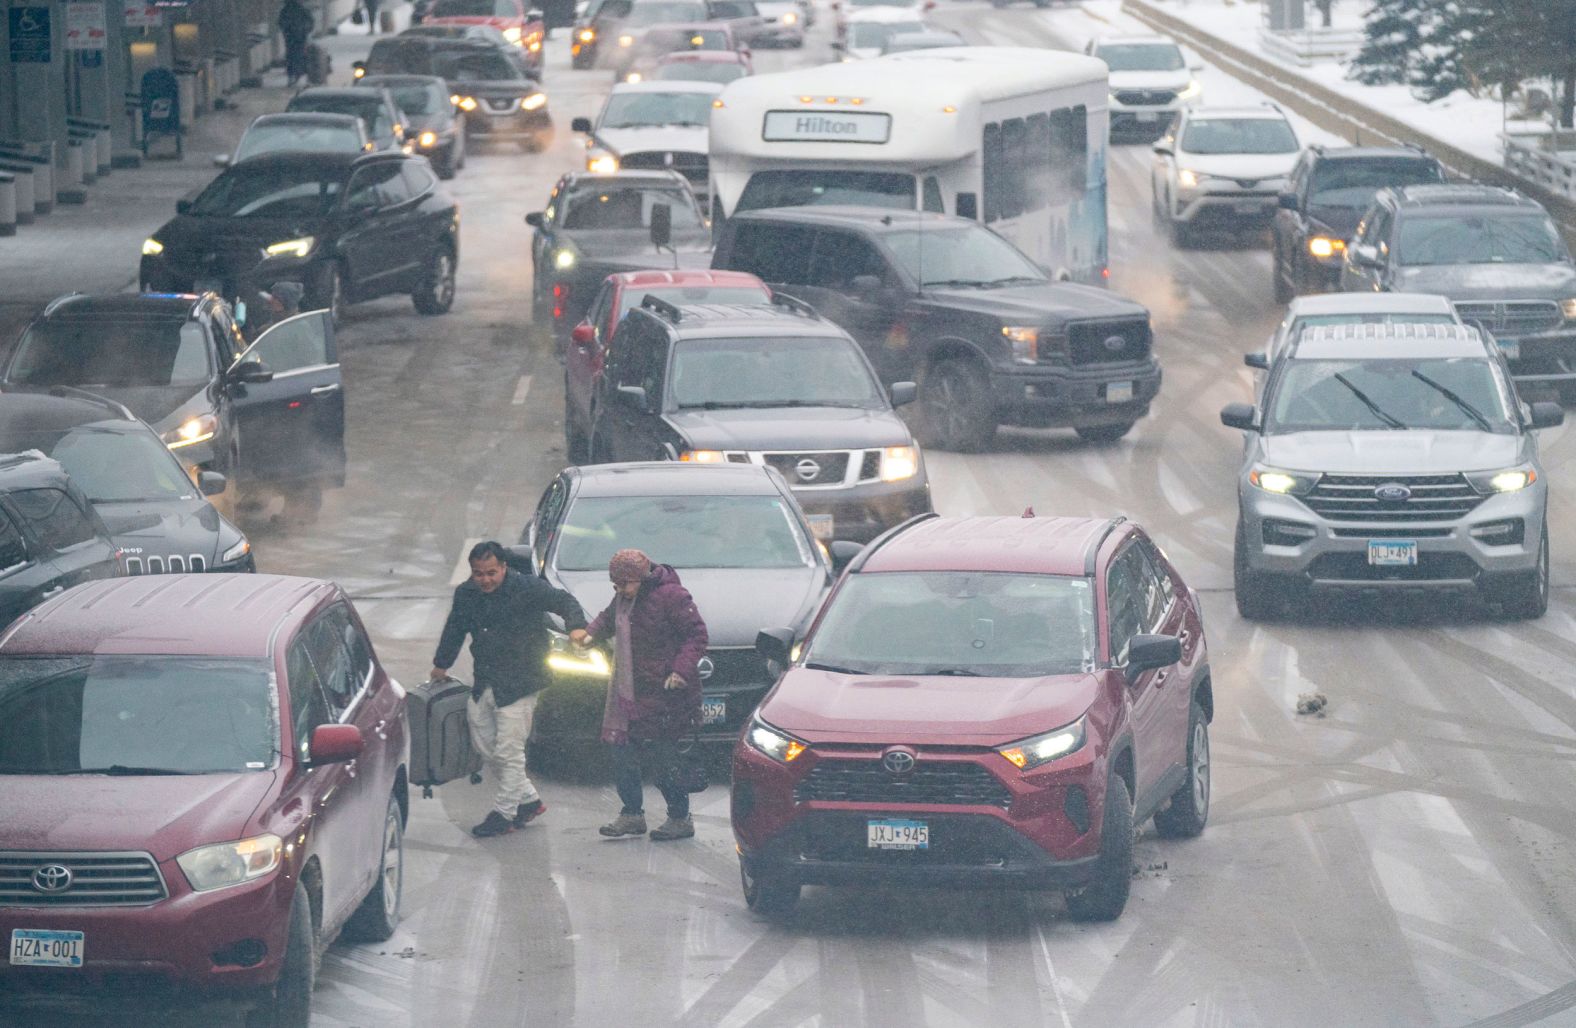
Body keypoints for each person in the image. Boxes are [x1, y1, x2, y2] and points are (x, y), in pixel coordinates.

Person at [433, 541, 588, 837]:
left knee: (509, 751)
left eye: (491, 573)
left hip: (522, 681)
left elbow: (565, 602)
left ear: (504, 568)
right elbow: (455, 628)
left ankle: (504, 813)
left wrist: (576, 627)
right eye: (479, 574)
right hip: (486, 680)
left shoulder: (527, 588)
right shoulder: (466, 595)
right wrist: (441, 663)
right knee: (486, 743)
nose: (486, 580)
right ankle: (529, 801)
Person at [571, 549, 708, 841]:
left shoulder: (672, 596)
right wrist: (590, 634)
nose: (620, 590)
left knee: (663, 758)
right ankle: (632, 813)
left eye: (624, 584)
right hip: (628, 691)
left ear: (641, 578)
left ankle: (680, 817)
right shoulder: (624, 597)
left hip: (666, 694)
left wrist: (680, 671)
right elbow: (609, 618)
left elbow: (696, 635)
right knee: (622, 753)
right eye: (616, 585)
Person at [278, 0, 315, 88]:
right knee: (299, 55)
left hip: (291, 37)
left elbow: (281, 22)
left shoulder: (286, 10)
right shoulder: (302, 9)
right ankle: (298, 75)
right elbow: (310, 21)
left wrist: (286, 30)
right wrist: (305, 30)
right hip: (299, 37)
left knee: (291, 56)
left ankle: (293, 76)